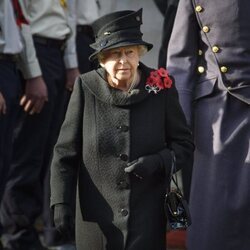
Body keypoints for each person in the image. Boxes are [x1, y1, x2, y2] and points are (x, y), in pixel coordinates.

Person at [50, 8, 194, 250]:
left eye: (129, 52)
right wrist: (60, 202)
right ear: (102, 59)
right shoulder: (85, 87)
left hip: (146, 218)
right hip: (96, 221)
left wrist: (158, 161)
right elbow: (65, 152)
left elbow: (184, 145)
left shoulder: (160, 88)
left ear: (140, 54)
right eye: (114, 54)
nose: (123, 61)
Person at [166, 0, 250, 249]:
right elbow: (180, 60)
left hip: (220, 106)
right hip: (218, 112)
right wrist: (179, 124)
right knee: (217, 219)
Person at [0, 0, 79, 249]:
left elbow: (67, 16)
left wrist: (70, 63)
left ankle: (30, 233)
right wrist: (33, 72)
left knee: (46, 154)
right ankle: (18, 235)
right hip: (32, 52)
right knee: (25, 157)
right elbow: (21, 19)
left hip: (53, 50)